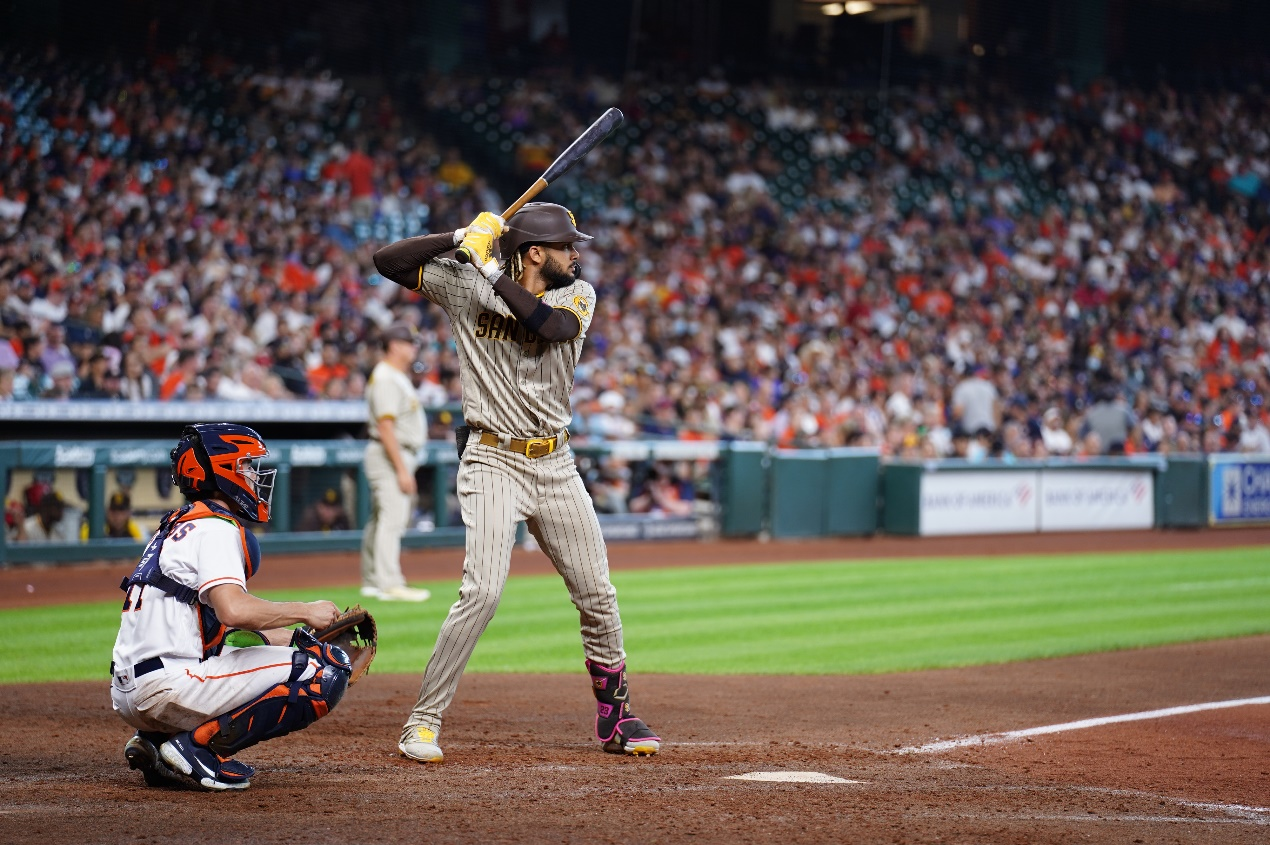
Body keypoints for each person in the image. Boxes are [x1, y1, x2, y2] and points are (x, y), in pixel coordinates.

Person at [373, 202, 661, 762]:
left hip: (554, 463)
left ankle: (616, 718)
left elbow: (550, 327)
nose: (576, 255)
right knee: (481, 591)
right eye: (566, 247)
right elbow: (386, 261)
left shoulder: (577, 295)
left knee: (597, 593)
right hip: (491, 458)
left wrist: (488, 270)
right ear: (535, 252)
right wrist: (458, 236)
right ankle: (422, 722)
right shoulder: (464, 281)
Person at [110, 423, 348, 791]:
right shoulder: (216, 527)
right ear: (223, 471)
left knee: (294, 656)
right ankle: (195, 748)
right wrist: (306, 610)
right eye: (246, 466)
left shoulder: (176, 526)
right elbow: (233, 611)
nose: (254, 475)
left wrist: (295, 637)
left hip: (133, 688)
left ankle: (156, 741)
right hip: (168, 684)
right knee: (321, 675)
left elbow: (215, 623)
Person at [360, 321, 433, 602]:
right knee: (392, 519)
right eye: (409, 343)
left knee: (380, 519)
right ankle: (388, 582)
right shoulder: (386, 376)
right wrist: (402, 469)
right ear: (394, 346)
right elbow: (386, 426)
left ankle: (371, 579)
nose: (414, 348)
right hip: (390, 454)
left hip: (391, 453)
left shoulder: (394, 375)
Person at [80, 491, 145, 540]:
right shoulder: (95, 529)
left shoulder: (134, 530)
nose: (117, 517)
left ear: (128, 513)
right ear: (108, 512)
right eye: (113, 512)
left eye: (122, 512)